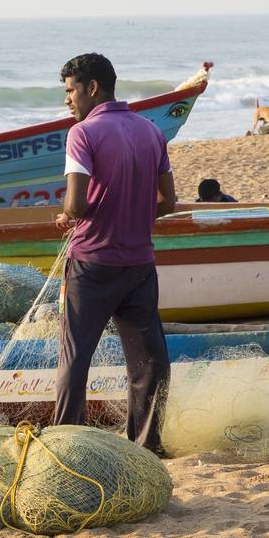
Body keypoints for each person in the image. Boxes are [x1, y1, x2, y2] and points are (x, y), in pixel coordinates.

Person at [52, 52, 175, 454]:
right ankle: (146, 445)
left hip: (92, 265)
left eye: (70, 91)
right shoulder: (151, 130)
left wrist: (64, 216)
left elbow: (76, 205)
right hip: (139, 264)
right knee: (149, 361)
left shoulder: (82, 134)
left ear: (91, 88)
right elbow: (168, 201)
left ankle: (66, 443)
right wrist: (132, 216)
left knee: (75, 357)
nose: (68, 100)